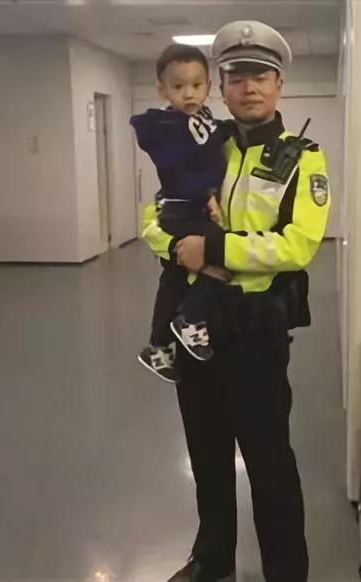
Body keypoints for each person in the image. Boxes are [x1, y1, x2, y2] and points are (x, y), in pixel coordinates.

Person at [141, 21, 332, 582]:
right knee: (206, 454)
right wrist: (177, 247)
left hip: (257, 334)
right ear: (220, 87)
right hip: (196, 330)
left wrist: (216, 247)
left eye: (261, 76)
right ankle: (213, 560)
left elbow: (298, 245)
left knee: (270, 462)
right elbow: (154, 217)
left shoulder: (303, 157)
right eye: (237, 77)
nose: (250, 87)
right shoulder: (202, 147)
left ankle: (286, 572)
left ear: (278, 85)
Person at [132, 44, 234, 383]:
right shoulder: (167, 128)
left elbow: (211, 138)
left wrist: (229, 130)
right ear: (163, 90)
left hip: (189, 206)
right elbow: (182, 171)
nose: (188, 93)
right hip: (184, 209)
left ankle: (158, 345)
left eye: (196, 85)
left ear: (208, 86)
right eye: (178, 86)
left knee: (174, 279)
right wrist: (209, 196)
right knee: (221, 259)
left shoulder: (199, 118)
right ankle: (190, 318)